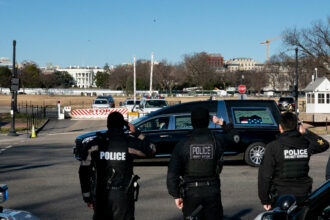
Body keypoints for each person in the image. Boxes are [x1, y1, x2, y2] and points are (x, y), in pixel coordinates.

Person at [78, 112, 156, 220]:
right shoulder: (129, 142)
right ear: (123, 125)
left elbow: (84, 172)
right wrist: (137, 133)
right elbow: (152, 149)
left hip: (101, 196)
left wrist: (87, 197)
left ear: (107, 125)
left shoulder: (95, 144)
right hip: (123, 197)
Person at [167, 107, 237, 220]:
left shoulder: (183, 143)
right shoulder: (217, 139)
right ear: (208, 121)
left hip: (191, 194)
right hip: (212, 191)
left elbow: (172, 173)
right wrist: (221, 122)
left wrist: (176, 195)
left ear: (192, 122)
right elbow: (236, 138)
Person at [258, 111, 329, 211]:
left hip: (280, 197)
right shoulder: (306, 143)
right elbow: (324, 144)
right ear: (297, 127)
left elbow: (264, 176)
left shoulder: (273, 147)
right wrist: (306, 133)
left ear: (280, 127)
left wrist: (264, 200)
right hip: (303, 196)